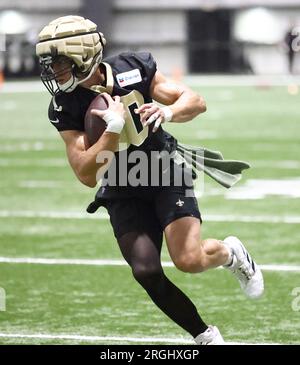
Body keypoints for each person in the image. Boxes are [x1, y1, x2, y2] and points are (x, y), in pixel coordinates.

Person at [36, 15, 264, 345]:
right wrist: (112, 131)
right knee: (145, 270)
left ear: (82, 56)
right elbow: (86, 174)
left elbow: (195, 101)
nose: (53, 72)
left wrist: (167, 113)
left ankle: (231, 253)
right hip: (119, 185)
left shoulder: (133, 67)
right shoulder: (64, 105)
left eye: (58, 62)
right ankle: (205, 335)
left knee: (188, 260)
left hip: (161, 170)